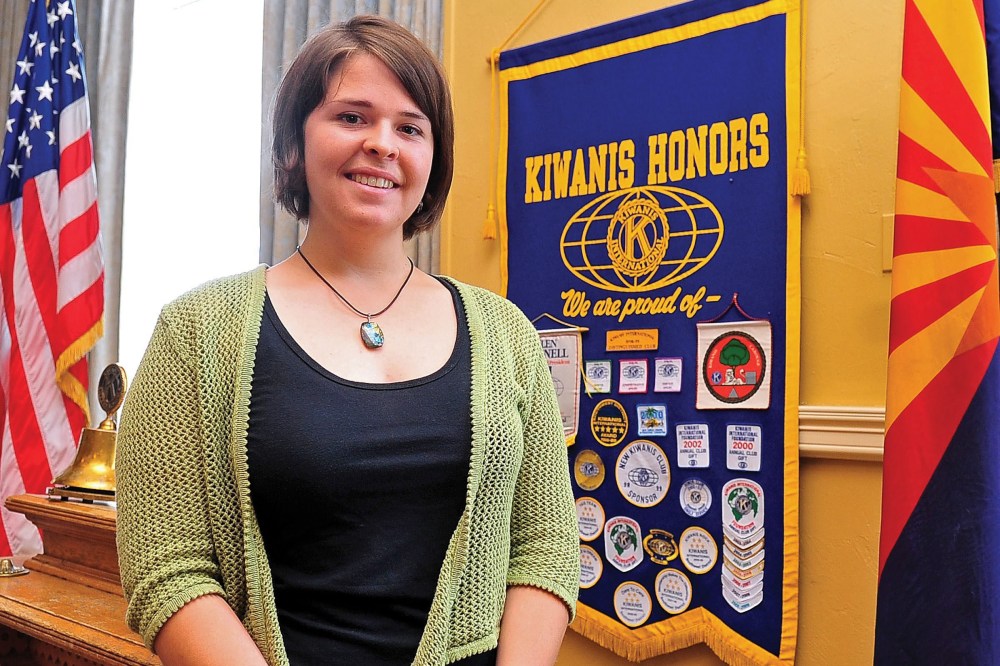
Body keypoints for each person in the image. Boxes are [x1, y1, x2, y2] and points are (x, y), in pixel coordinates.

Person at [115, 14, 579, 666]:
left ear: (432, 157)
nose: (383, 144)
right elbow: (168, 567)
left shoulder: (507, 334)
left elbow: (546, 545)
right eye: (352, 117)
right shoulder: (195, 333)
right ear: (294, 145)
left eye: (409, 127)